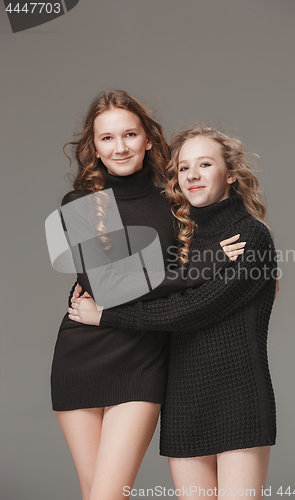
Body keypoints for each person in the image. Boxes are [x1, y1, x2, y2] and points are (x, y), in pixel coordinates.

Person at [51, 92, 243, 500]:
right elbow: (106, 286)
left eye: (130, 134)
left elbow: (227, 206)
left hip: (143, 357)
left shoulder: (175, 204)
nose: (119, 147)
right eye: (107, 138)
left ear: (149, 140)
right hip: (81, 354)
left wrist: (197, 268)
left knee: (108, 494)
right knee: (94, 494)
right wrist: (193, 271)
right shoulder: (80, 204)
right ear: (94, 148)